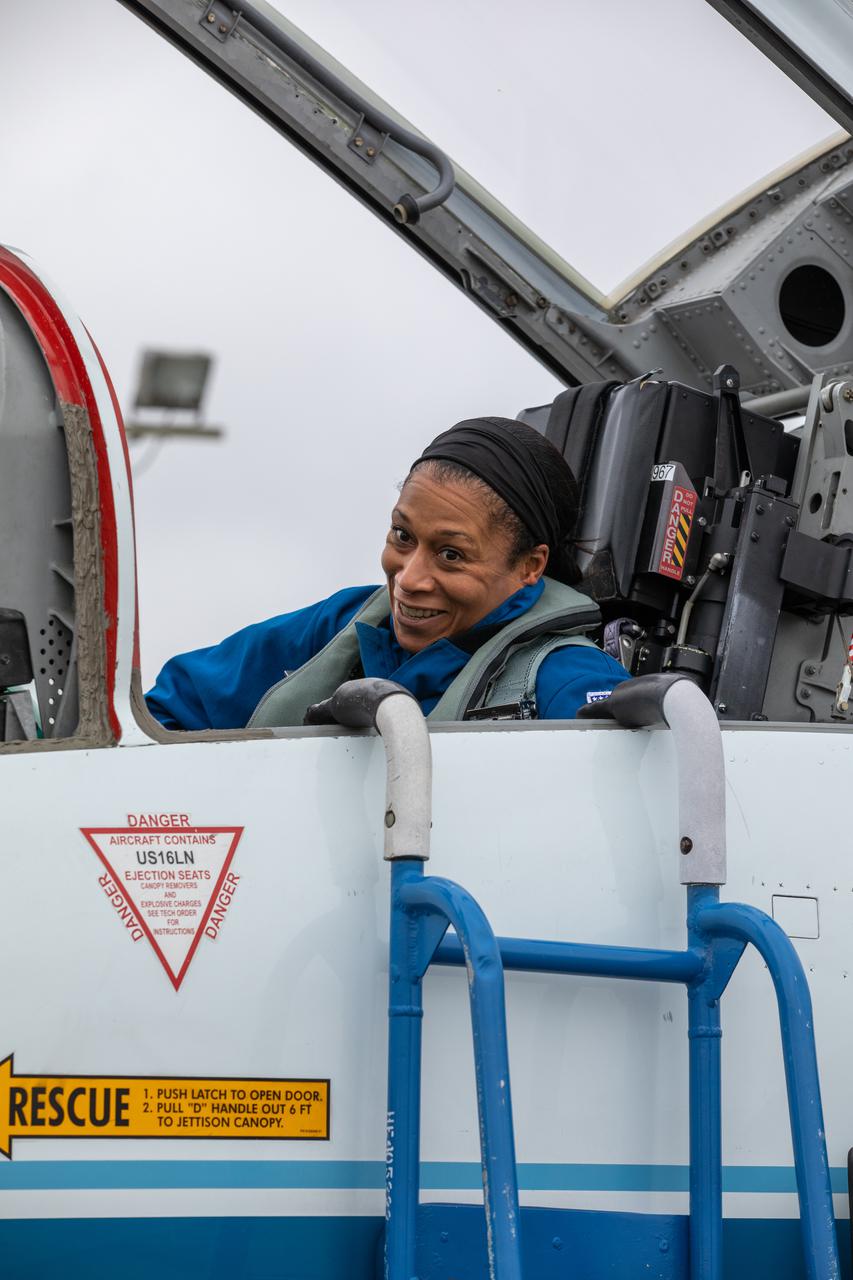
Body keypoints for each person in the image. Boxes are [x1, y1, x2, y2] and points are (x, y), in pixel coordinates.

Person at [145, 417, 630, 731]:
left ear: (530, 566)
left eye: (451, 556)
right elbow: (168, 711)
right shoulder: (342, 626)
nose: (409, 579)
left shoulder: (569, 681)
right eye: (402, 537)